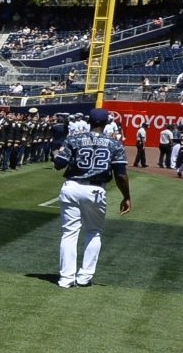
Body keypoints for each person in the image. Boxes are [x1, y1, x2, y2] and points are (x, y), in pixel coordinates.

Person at [54, 108, 132, 289]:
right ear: (106, 123)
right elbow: (121, 174)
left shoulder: (74, 139)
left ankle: (66, 278)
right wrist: (126, 196)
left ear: (89, 121)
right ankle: (84, 277)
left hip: (72, 186)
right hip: (95, 190)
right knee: (94, 231)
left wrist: (56, 150)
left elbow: (59, 164)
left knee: (69, 233)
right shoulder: (115, 144)